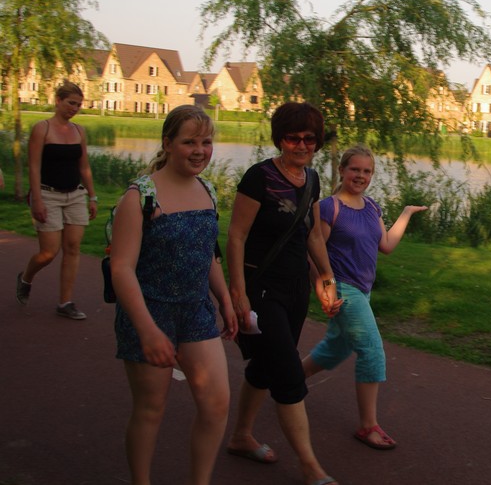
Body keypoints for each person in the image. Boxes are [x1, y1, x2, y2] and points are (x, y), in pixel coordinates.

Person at [109, 105, 236, 485]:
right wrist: (148, 330)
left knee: (216, 404)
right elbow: (121, 268)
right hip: (150, 312)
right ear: (167, 143)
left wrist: (225, 299)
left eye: (206, 142)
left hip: (196, 311)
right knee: (151, 408)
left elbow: (207, 253)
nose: (200, 151)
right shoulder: (140, 197)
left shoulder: (208, 190)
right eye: (189, 142)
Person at [225, 102, 341, 485]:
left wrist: (326, 278)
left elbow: (313, 234)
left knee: (264, 366)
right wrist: (237, 291)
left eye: (309, 139)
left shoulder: (312, 180)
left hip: (295, 289)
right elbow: (236, 236)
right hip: (261, 289)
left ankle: (240, 437)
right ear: (280, 139)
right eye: (293, 138)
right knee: (289, 375)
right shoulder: (259, 178)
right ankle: (310, 467)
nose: (302, 145)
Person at [304, 144, 427, 450]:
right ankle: (368, 426)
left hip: (364, 290)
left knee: (335, 349)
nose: (361, 176)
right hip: (343, 290)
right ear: (342, 170)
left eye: (367, 171)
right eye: (355, 169)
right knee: (372, 351)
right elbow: (312, 252)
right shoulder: (329, 208)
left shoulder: (372, 207)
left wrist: (406, 213)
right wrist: (322, 286)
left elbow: (386, 245)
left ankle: (287, 381)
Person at [16, 81, 97, 320]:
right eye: (71, 103)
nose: (75, 108)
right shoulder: (42, 129)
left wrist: (92, 196)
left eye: (79, 105)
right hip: (48, 194)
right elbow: (34, 167)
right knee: (49, 252)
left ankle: (65, 302)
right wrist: (37, 200)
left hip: (75, 195)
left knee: (72, 248)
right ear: (58, 101)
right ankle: (26, 277)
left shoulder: (79, 131)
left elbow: (84, 167)